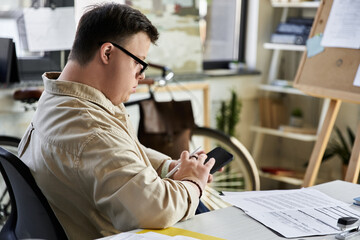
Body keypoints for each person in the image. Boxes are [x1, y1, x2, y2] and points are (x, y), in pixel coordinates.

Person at [18, 3, 215, 240]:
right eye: (138, 62)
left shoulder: (59, 99)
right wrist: (193, 182)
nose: (141, 75)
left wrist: (169, 167)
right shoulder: (90, 129)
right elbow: (154, 209)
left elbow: (121, 150)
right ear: (108, 53)